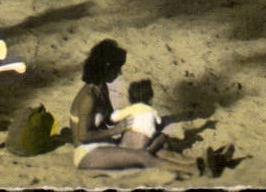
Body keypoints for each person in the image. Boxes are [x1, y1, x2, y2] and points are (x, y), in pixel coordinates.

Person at [69, 39, 188, 173]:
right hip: (87, 153)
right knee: (143, 156)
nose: (120, 73)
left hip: (105, 144)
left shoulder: (102, 88)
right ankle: (192, 170)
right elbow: (83, 136)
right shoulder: (88, 98)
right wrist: (115, 131)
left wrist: (136, 116)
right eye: (117, 68)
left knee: (160, 151)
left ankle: (199, 163)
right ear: (106, 67)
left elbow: (109, 119)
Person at [110, 79, 166, 153]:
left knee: (126, 129)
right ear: (150, 98)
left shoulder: (130, 109)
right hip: (142, 146)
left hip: (125, 146)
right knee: (161, 137)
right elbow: (159, 122)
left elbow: (113, 117)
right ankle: (149, 151)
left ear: (130, 99)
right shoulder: (152, 111)